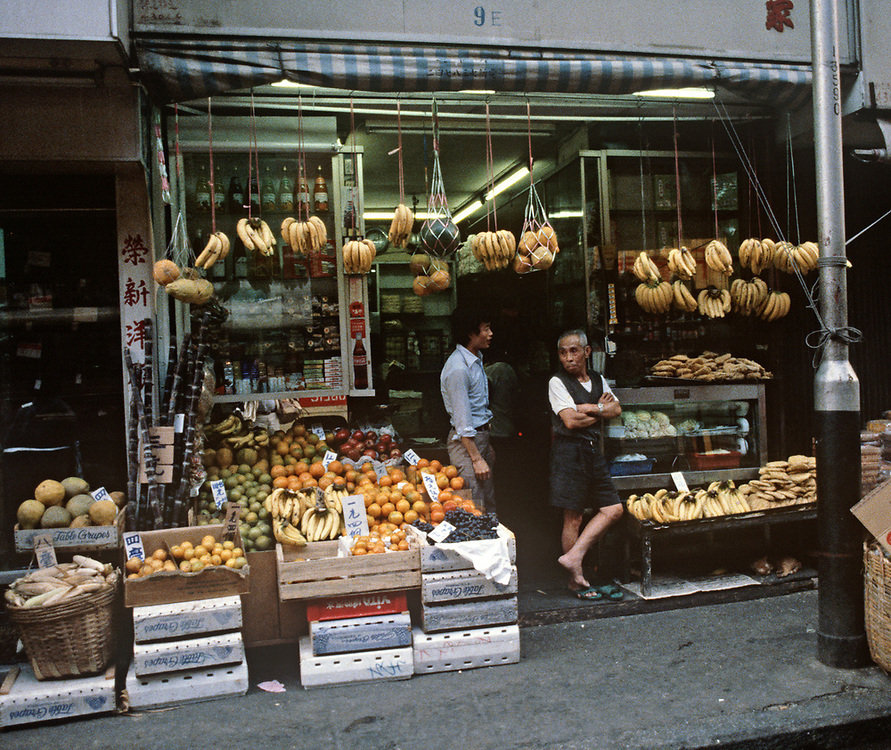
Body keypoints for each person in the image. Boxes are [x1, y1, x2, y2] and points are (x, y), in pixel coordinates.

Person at [549, 329, 624, 600]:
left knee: (613, 509)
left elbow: (616, 409)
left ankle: (574, 556)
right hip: (569, 454)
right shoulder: (556, 382)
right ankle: (575, 581)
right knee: (574, 517)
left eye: (574, 351)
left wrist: (589, 408)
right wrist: (600, 410)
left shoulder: (597, 378)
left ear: (587, 352)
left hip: (592, 452)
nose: (568, 357)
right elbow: (570, 421)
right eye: (563, 352)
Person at [440, 308, 495, 513]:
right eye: (486, 328)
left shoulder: (475, 360)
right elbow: (463, 420)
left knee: (487, 503)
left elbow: (478, 408)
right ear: (471, 333)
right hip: (466, 445)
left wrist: (486, 446)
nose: (491, 333)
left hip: (479, 439)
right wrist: (477, 458)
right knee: (475, 506)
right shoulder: (458, 368)